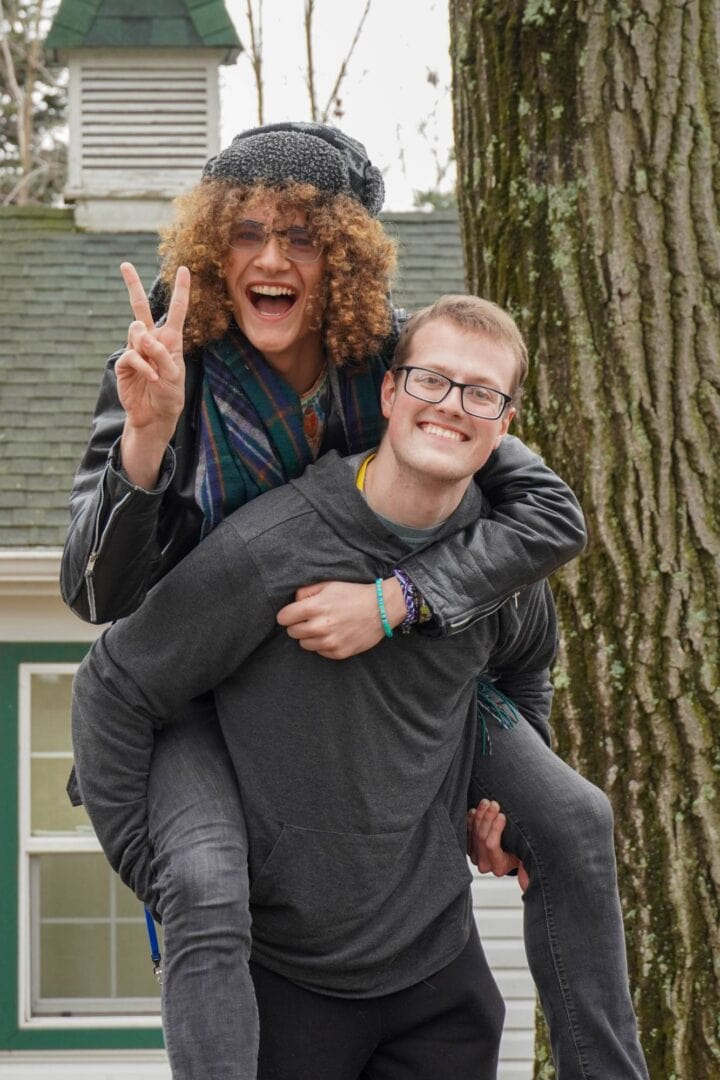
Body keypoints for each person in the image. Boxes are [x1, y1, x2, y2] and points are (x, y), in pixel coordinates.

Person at [62, 125, 645, 1078]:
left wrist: (401, 601)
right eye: (246, 234)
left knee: (574, 820)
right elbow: (99, 601)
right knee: (207, 880)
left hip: (395, 650)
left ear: (348, 259)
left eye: (303, 236)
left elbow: (546, 513)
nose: (272, 258)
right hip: (200, 682)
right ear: (214, 251)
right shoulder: (174, 365)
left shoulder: (408, 371)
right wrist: (149, 441)